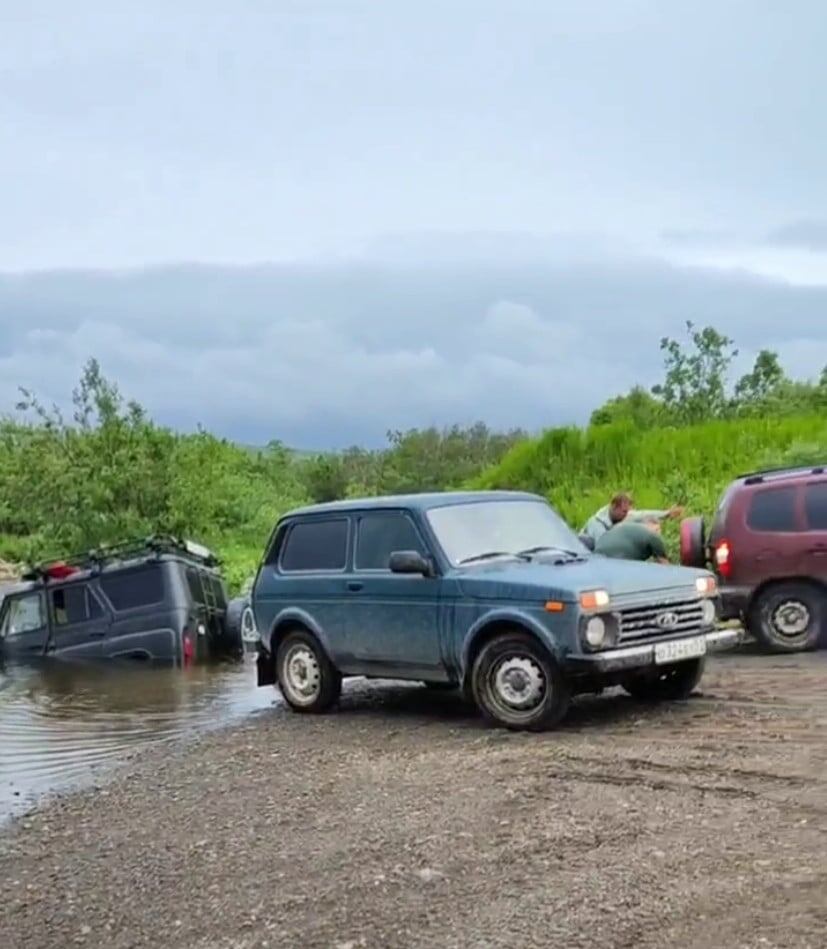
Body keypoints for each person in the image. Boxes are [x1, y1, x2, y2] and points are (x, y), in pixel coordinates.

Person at [581, 492, 683, 543]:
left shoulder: (620, 516)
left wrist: (666, 514)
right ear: (613, 507)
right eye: (624, 512)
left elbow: (642, 514)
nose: (626, 515)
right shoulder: (596, 524)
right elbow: (604, 548)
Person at [594, 515, 670, 564]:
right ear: (651, 525)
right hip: (618, 562)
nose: (659, 533)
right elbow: (665, 566)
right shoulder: (651, 535)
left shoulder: (620, 527)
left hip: (595, 559)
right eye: (658, 529)